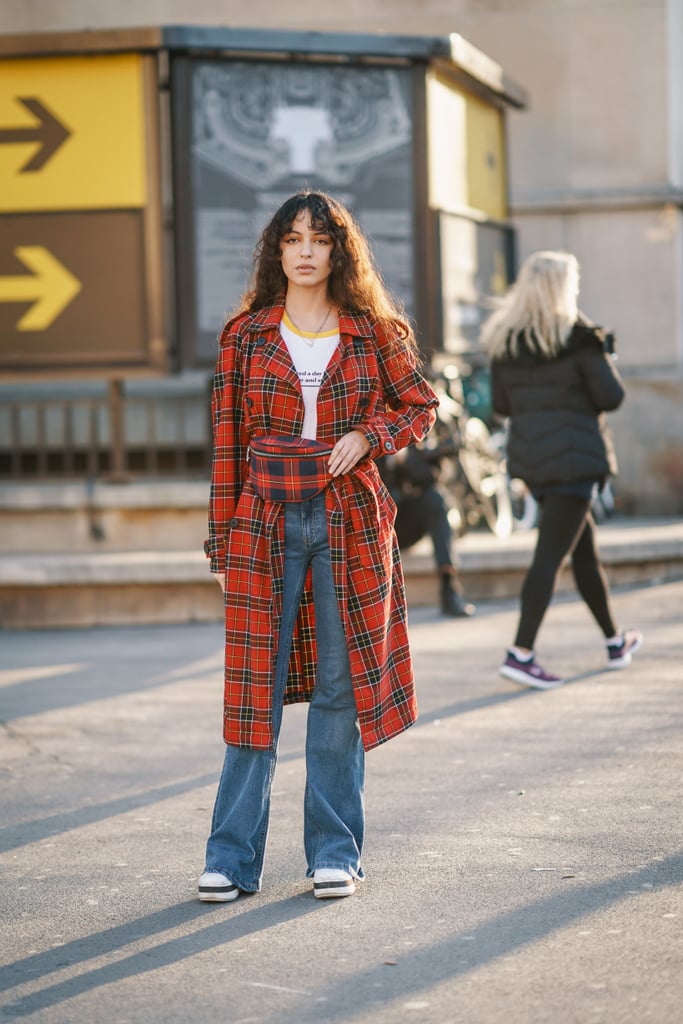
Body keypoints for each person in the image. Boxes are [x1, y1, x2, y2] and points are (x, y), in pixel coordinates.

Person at [199, 190, 438, 902]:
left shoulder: (374, 331)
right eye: (292, 239)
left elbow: (419, 404)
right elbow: (226, 450)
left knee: (338, 689)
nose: (305, 251)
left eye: (319, 239)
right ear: (277, 252)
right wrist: (221, 544)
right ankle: (229, 858)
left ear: (339, 250)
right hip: (264, 520)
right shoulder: (244, 335)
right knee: (253, 692)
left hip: (348, 521)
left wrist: (371, 435)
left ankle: (334, 852)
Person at [483, 250, 642, 689]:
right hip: (576, 464)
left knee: (583, 552)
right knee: (549, 557)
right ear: (564, 290)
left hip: (534, 464)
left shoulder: (506, 342)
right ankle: (521, 653)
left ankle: (615, 642)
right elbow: (611, 397)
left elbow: (501, 405)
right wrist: (602, 347)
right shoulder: (580, 338)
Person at [379, 423, 475, 617]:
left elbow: (432, 475)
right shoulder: (366, 421)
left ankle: (450, 588)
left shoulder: (412, 422)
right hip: (379, 521)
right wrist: (388, 461)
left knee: (435, 501)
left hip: (408, 521)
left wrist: (404, 460)